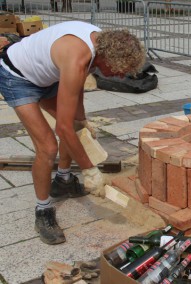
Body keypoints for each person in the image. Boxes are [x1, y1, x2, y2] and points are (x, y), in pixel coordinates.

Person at [0, 21, 146, 245]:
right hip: (17, 76)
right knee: (47, 147)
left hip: (46, 74)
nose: (117, 76)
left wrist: (83, 120)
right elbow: (63, 128)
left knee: (75, 126)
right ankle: (43, 210)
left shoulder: (100, 44)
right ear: (107, 59)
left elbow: (76, 91)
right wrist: (90, 171)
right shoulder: (77, 58)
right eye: (117, 71)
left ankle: (63, 179)